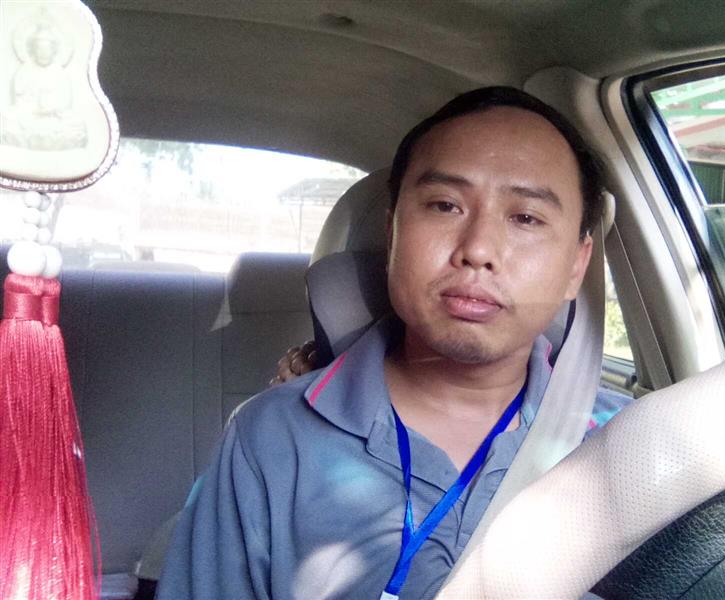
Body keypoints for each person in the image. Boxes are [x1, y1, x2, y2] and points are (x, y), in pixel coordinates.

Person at [157, 86, 630, 600]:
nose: (478, 250)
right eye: (445, 205)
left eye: (526, 218)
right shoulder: (269, 439)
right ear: (393, 233)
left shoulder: (629, 444)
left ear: (577, 266)